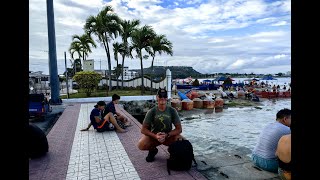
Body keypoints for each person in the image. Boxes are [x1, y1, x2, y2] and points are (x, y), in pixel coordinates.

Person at [137, 88, 184, 162]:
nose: (162, 98)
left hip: (168, 136)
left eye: (164, 96)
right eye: (160, 96)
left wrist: (167, 135)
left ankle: (171, 150)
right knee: (141, 145)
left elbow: (179, 129)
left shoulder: (172, 111)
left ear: (167, 98)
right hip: (154, 137)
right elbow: (143, 129)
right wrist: (155, 136)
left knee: (182, 141)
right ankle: (153, 150)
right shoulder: (151, 112)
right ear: (157, 97)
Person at [252, 108, 291, 173]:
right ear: (285, 119)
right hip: (268, 163)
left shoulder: (268, 125)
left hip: (255, 158)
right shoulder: (286, 129)